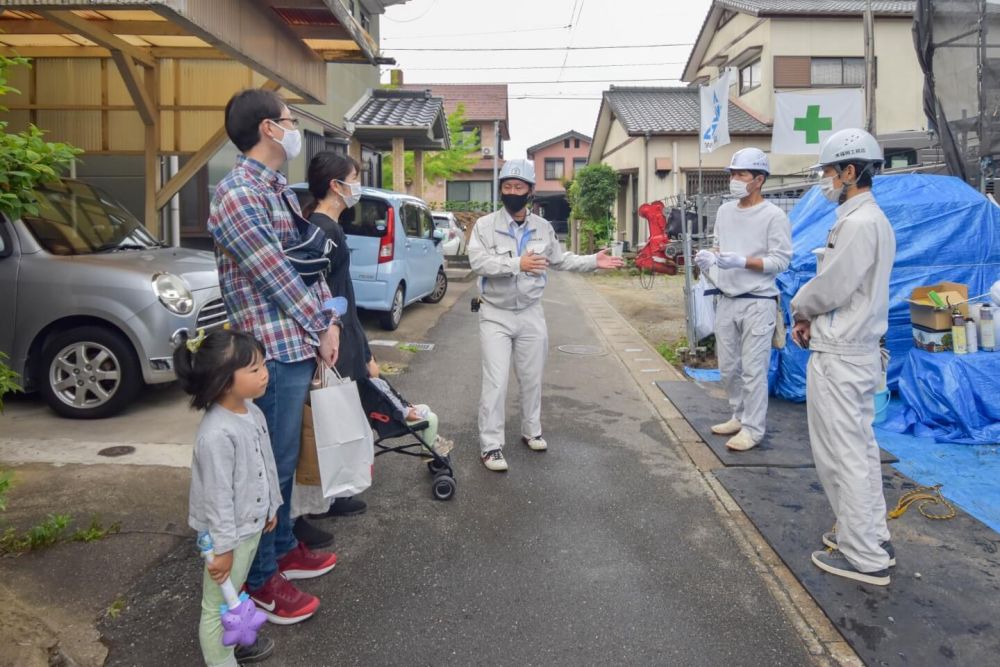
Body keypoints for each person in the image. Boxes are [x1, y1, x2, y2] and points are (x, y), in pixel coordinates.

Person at [208, 89, 339, 625]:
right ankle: (261, 581)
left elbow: (306, 262)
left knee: (281, 462)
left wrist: (326, 318)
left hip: (291, 344)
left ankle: (282, 547)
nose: (295, 130)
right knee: (267, 470)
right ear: (267, 127)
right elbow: (277, 277)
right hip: (267, 352)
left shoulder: (275, 187)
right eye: (290, 121)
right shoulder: (239, 193)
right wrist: (321, 323)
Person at [468, 158, 624, 472]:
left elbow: (561, 259)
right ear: (501, 190)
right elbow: (479, 263)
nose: (512, 192)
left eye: (518, 187)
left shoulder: (543, 227)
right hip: (495, 313)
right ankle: (491, 446)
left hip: (530, 313)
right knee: (496, 382)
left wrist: (594, 261)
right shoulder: (485, 226)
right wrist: (517, 264)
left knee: (532, 377)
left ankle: (531, 431)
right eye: (507, 187)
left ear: (530, 191)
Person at [790, 128, 896, 586]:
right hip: (854, 349)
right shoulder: (870, 219)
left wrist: (799, 308)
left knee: (841, 453)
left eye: (830, 172)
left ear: (851, 172)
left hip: (841, 354)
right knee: (858, 449)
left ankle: (864, 555)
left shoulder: (857, 224)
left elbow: (832, 286)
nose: (826, 181)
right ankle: (868, 536)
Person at [174, 329, 280, 666]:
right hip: (226, 536)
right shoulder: (216, 434)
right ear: (223, 381)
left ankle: (234, 643)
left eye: (263, 364)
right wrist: (222, 550)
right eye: (253, 369)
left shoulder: (252, 411)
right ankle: (221, 660)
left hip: (247, 528)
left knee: (233, 594)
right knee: (216, 605)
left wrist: (271, 505)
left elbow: (266, 463)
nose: (264, 373)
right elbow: (217, 498)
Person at [694, 148, 792, 451]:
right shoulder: (725, 211)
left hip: (758, 301)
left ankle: (753, 428)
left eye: (742, 174)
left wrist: (744, 262)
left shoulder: (774, 216)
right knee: (728, 367)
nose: (735, 180)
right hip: (726, 298)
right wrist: (710, 258)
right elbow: (719, 245)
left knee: (753, 369)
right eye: (733, 174)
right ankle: (738, 415)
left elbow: (781, 261)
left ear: (759, 179)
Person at [301, 151, 374, 524]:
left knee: (339, 415)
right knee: (330, 418)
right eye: (354, 178)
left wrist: (363, 349)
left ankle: (337, 491)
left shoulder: (326, 226)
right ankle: (325, 498)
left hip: (343, 335)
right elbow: (321, 290)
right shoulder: (322, 229)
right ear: (336, 185)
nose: (357, 186)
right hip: (331, 339)